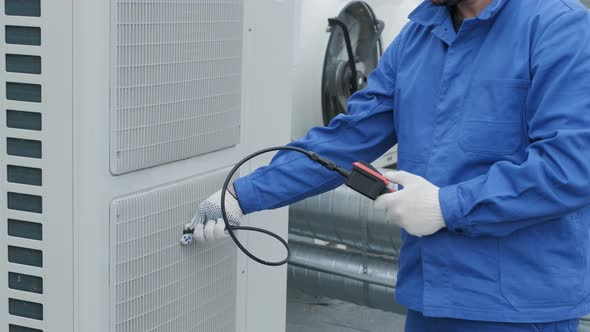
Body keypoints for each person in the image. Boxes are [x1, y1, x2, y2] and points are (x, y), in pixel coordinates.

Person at [189, 0, 590, 331]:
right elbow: (347, 139)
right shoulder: (419, 35)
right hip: (429, 301)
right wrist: (240, 195)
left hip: (520, 311)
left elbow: (570, 167)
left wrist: (447, 206)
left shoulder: (557, 26)